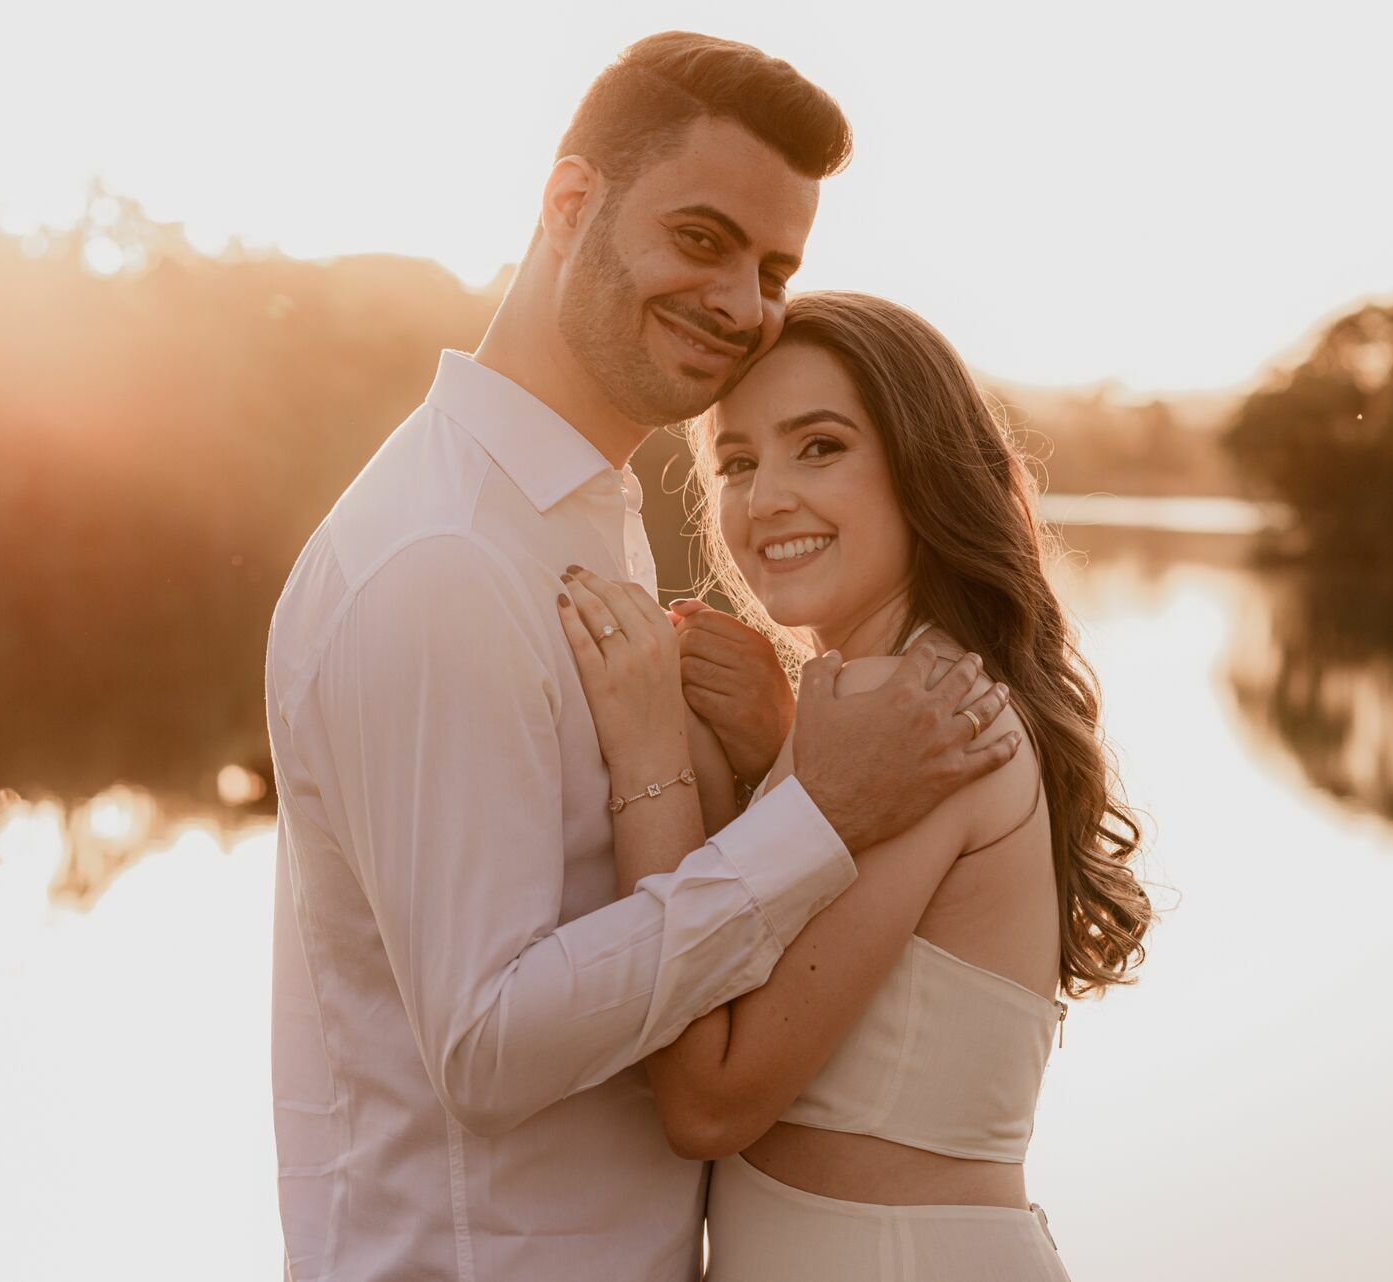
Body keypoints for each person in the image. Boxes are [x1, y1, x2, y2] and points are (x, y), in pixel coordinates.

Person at [263, 34, 1021, 1282]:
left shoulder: (578, 513)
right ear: (572, 205)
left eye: (777, 267)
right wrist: (819, 814)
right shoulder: (441, 558)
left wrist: (780, 757)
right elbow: (488, 1046)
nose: (743, 305)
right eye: (705, 239)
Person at [554, 292, 1153, 1280]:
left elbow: (709, 1100)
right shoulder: (897, 696)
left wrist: (649, 748)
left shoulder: (917, 709)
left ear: (921, 470)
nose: (767, 495)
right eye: (738, 462)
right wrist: (772, 759)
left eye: (819, 446)